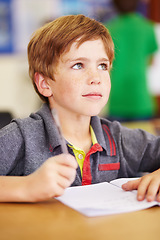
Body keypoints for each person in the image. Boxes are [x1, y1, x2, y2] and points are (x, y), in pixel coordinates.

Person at [0, 14, 160, 203]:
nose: (96, 77)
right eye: (78, 65)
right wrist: (26, 187)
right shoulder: (21, 137)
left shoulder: (120, 140)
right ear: (45, 83)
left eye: (102, 66)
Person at [104, 0, 158, 122]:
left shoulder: (108, 29)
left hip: (117, 98)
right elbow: (151, 61)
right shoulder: (148, 28)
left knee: (116, 140)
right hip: (141, 98)